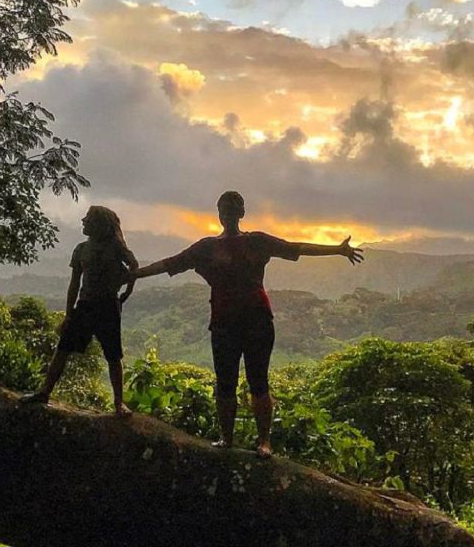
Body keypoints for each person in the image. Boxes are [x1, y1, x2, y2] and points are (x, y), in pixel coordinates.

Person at [132, 191, 363, 457]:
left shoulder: (256, 241)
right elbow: (169, 264)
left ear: (241, 213)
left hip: (256, 320)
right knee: (225, 383)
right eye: (224, 209)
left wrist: (337, 249)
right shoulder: (206, 248)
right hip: (224, 323)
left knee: (258, 381)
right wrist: (135, 274)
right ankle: (227, 439)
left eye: (232, 208)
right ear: (219, 214)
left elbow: (295, 247)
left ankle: (264, 441)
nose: (228, 213)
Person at [21, 206, 138, 417]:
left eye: (89, 219)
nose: (83, 221)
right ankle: (44, 391)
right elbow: (74, 284)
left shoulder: (116, 247)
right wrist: (69, 314)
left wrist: (125, 293)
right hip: (85, 306)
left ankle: (119, 404)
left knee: (113, 355)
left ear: (101, 224)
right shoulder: (81, 249)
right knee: (63, 349)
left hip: (108, 307)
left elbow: (134, 266)